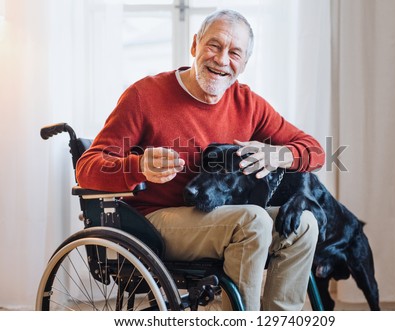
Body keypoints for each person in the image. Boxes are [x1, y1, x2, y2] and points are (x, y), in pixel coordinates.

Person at [76, 9, 325, 311]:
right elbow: (87, 168)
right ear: (194, 45)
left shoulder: (248, 104)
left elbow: (315, 151)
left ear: (244, 63)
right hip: (155, 222)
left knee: (305, 224)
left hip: (222, 218)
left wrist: (279, 154)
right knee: (254, 220)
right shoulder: (144, 95)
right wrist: (138, 166)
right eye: (214, 45)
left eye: (235, 52)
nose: (222, 60)